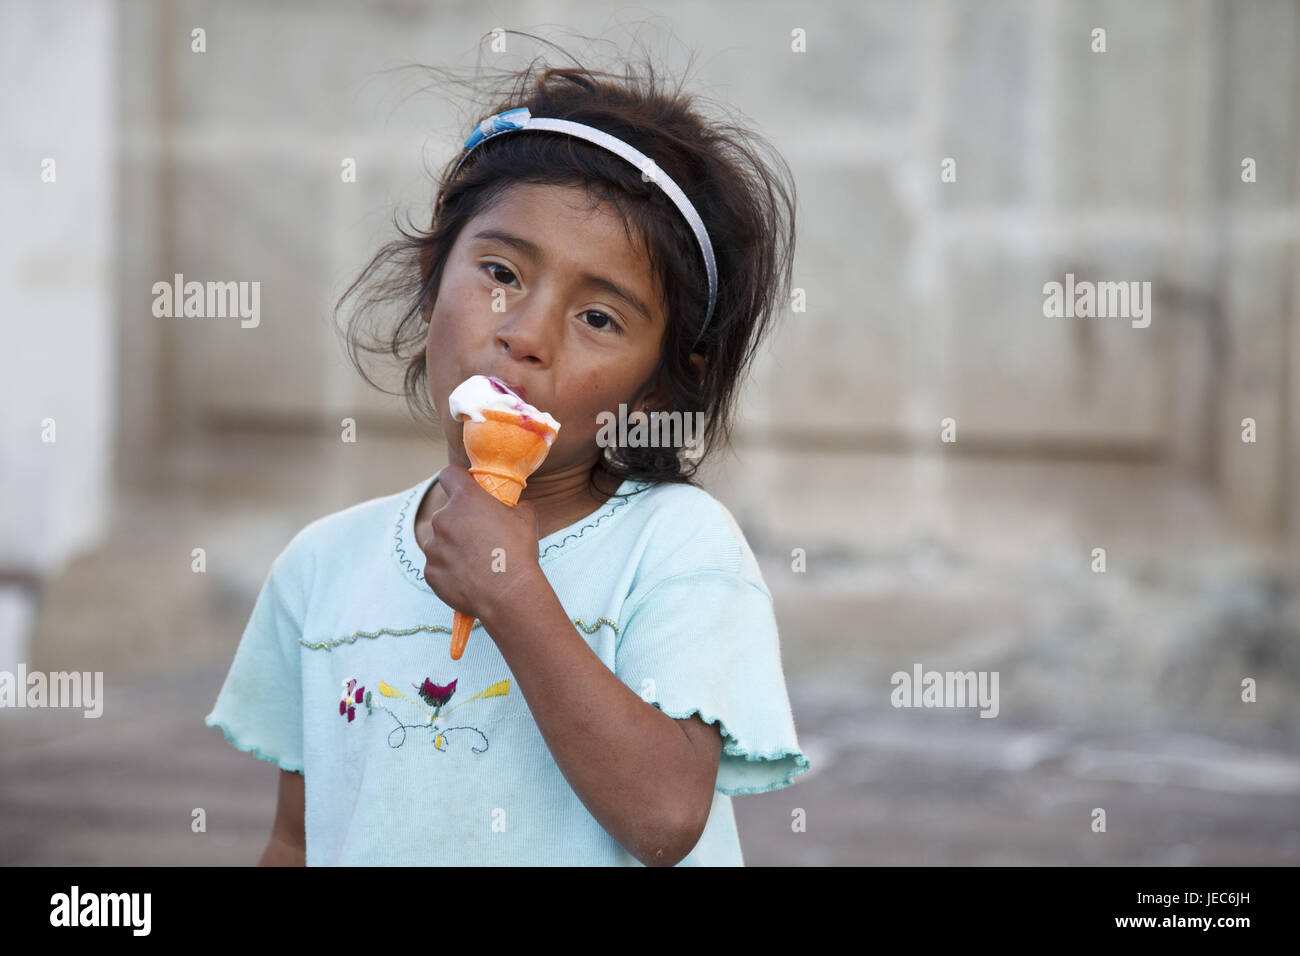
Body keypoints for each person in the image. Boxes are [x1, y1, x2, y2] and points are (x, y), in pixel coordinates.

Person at [204, 35, 806, 866]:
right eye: (501, 273)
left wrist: (512, 591)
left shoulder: (675, 549)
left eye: (600, 318)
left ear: (662, 388)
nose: (526, 334)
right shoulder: (321, 569)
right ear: (431, 277)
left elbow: (666, 816)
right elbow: (298, 838)